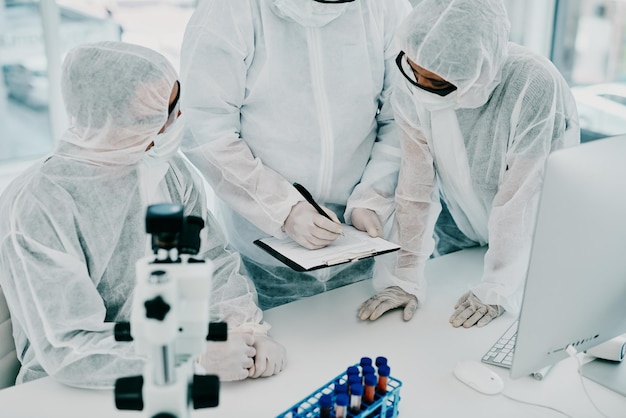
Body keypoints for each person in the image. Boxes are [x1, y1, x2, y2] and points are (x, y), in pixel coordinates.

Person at [0, 41, 286, 389]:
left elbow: (211, 262)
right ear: (103, 120)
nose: (172, 124)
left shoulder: (168, 171)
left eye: (174, 106)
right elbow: (68, 346)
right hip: (69, 392)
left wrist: (244, 328)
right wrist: (188, 357)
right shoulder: (39, 205)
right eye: (150, 117)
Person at [358, 0, 580, 327]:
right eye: (412, 69)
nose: (419, 88)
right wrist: (403, 279)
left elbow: (521, 200)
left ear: (475, 77)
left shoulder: (531, 86)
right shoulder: (412, 81)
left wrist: (498, 287)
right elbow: (416, 189)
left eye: (434, 83)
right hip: (463, 231)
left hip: (537, 242)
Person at [179, 0, 412, 310]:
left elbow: (404, 117)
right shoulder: (230, 12)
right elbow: (205, 129)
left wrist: (373, 196)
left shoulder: (385, 8)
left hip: (364, 244)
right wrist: (283, 209)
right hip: (266, 250)